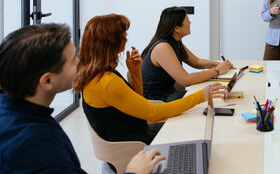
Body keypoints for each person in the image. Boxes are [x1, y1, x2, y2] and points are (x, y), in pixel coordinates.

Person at [0, 23, 166, 174]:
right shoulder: (32, 143)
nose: (80, 62)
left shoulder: (16, 111)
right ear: (47, 81)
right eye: (73, 60)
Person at [73, 14, 225, 147]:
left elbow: (137, 99)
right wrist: (200, 96)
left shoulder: (97, 74)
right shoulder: (107, 81)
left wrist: (135, 71)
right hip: (134, 146)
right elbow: (152, 113)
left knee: (194, 120)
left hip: (136, 133)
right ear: (111, 42)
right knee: (195, 125)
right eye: (122, 34)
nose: (126, 37)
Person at [141, 6, 234, 102]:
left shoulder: (175, 41)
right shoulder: (162, 47)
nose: (190, 23)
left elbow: (196, 62)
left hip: (169, 94)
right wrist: (217, 70)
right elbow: (185, 80)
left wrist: (217, 64)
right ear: (177, 28)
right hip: (157, 101)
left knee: (214, 96)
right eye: (187, 20)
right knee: (212, 98)